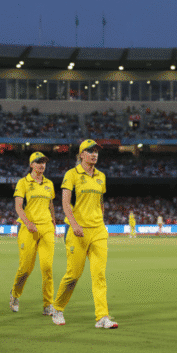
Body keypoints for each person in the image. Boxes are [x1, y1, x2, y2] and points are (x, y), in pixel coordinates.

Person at [51, 139, 118, 329]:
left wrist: (101, 222)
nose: (94, 154)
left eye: (96, 151)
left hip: (97, 232)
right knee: (73, 275)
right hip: (77, 232)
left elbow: (101, 202)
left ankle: (102, 317)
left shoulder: (101, 176)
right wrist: (74, 224)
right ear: (81, 155)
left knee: (99, 276)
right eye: (90, 151)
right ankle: (57, 308)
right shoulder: (72, 174)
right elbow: (65, 203)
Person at [9, 152, 57, 314]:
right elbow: (18, 207)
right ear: (31, 165)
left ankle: (48, 304)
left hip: (46, 228)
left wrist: (54, 223)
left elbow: (50, 205)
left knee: (47, 267)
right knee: (25, 268)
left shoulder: (49, 183)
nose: (41, 165)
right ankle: (15, 294)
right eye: (38, 162)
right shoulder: (23, 183)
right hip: (28, 229)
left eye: (43, 162)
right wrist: (28, 223)